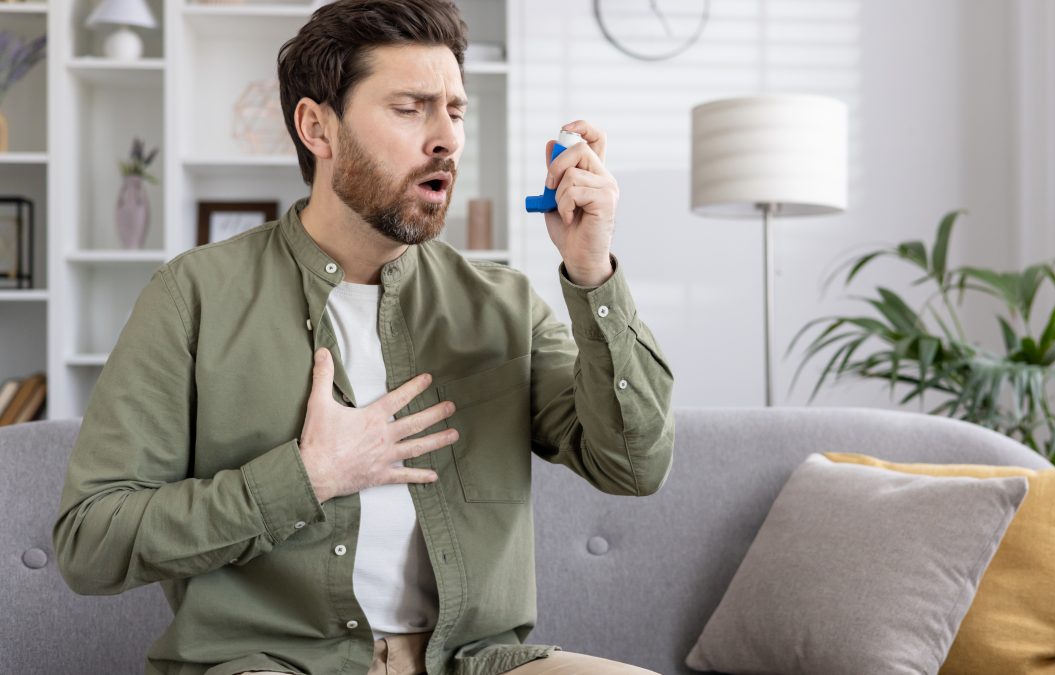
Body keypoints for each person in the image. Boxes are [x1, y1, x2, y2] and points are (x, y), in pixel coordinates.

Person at [51, 1, 675, 674]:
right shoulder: (194, 295)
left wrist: (591, 270)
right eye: (410, 109)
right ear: (318, 127)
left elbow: (633, 466)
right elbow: (91, 540)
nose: (447, 140)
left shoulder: (505, 305)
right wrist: (305, 477)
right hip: (273, 663)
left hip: (471, 661)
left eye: (455, 112)